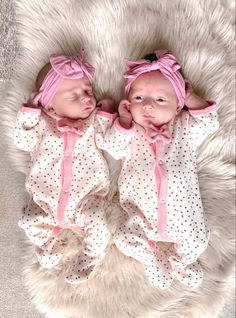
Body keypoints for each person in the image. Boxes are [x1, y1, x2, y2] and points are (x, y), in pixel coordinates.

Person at [106, 50, 219, 289]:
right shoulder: (131, 131)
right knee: (124, 238)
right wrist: (123, 123)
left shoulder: (184, 128)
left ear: (178, 107)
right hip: (140, 215)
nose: (147, 105)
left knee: (198, 240)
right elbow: (112, 148)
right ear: (128, 104)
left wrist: (191, 98)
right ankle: (151, 259)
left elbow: (210, 122)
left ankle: (183, 262)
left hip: (183, 215)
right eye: (138, 99)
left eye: (160, 100)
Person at [14, 49, 116, 284]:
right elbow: (23, 141)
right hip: (45, 200)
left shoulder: (92, 124)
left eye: (87, 91)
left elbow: (107, 141)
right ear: (49, 106)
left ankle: (91, 256)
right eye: (73, 96)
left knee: (98, 223)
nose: (86, 98)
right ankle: (47, 243)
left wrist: (107, 114)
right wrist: (30, 112)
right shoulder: (42, 124)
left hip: (86, 200)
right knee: (29, 220)